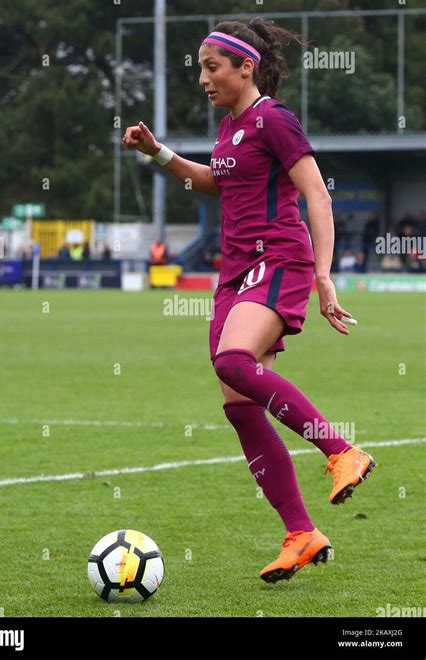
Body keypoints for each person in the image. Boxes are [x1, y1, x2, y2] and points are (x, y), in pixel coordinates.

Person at [122, 16, 376, 584]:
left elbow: (317, 195)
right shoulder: (229, 129)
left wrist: (323, 274)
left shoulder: (274, 120)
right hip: (235, 276)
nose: (203, 79)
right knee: (238, 403)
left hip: (279, 259)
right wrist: (159, 153)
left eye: (213, 68)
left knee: (233, 362)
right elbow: (216, 181)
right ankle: (301, 533)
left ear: (246, 66)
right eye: (201, 69)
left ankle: (341, 451)